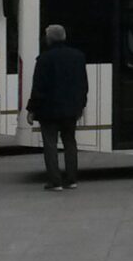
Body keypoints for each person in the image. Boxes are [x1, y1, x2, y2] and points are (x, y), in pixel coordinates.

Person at [25, 23, 88, 192]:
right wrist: (81, 104)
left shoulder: (44, 59)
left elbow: (38, 86)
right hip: (71, 108)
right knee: (70, 142)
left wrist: (32, 109)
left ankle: (55, 181)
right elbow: (83, 84)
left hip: (49, 109)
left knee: (50, 144)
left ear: (49, 39)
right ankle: (72, 179)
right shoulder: (78, 56)